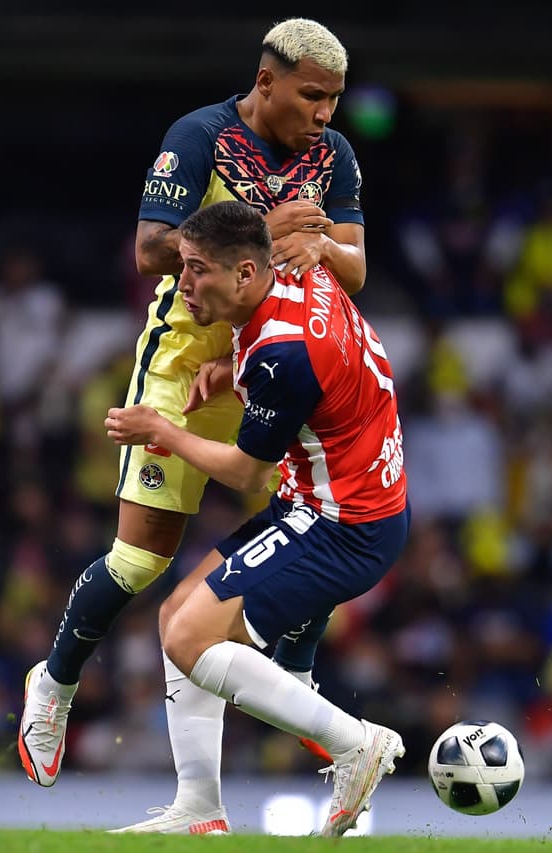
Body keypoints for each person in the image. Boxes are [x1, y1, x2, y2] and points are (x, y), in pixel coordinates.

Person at [18, 16, 366, 831]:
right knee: (141, 561)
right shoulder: (199, 136)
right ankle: (55, 683)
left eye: (334, 100)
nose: (324, 114)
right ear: (268, 79)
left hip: (268, 362)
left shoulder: (335, 156)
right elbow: (147, 251)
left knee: (313, 521)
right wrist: (265, 238)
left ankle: (299, 682)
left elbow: (354, 264)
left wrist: (319, 253)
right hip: (184, 362)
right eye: (311, 96)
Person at [105, 200, 408, 837]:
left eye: (197, 270)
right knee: (173, 619)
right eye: (183, 267)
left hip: (341, 524)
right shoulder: (295, 273)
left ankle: (356, 743)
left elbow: (245, 472)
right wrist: (231, 373)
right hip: (333, 498)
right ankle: (199, 810)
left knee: (192, 640)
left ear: (246, 274)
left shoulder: (281, 353)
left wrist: (162, 429)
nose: (183, 283)